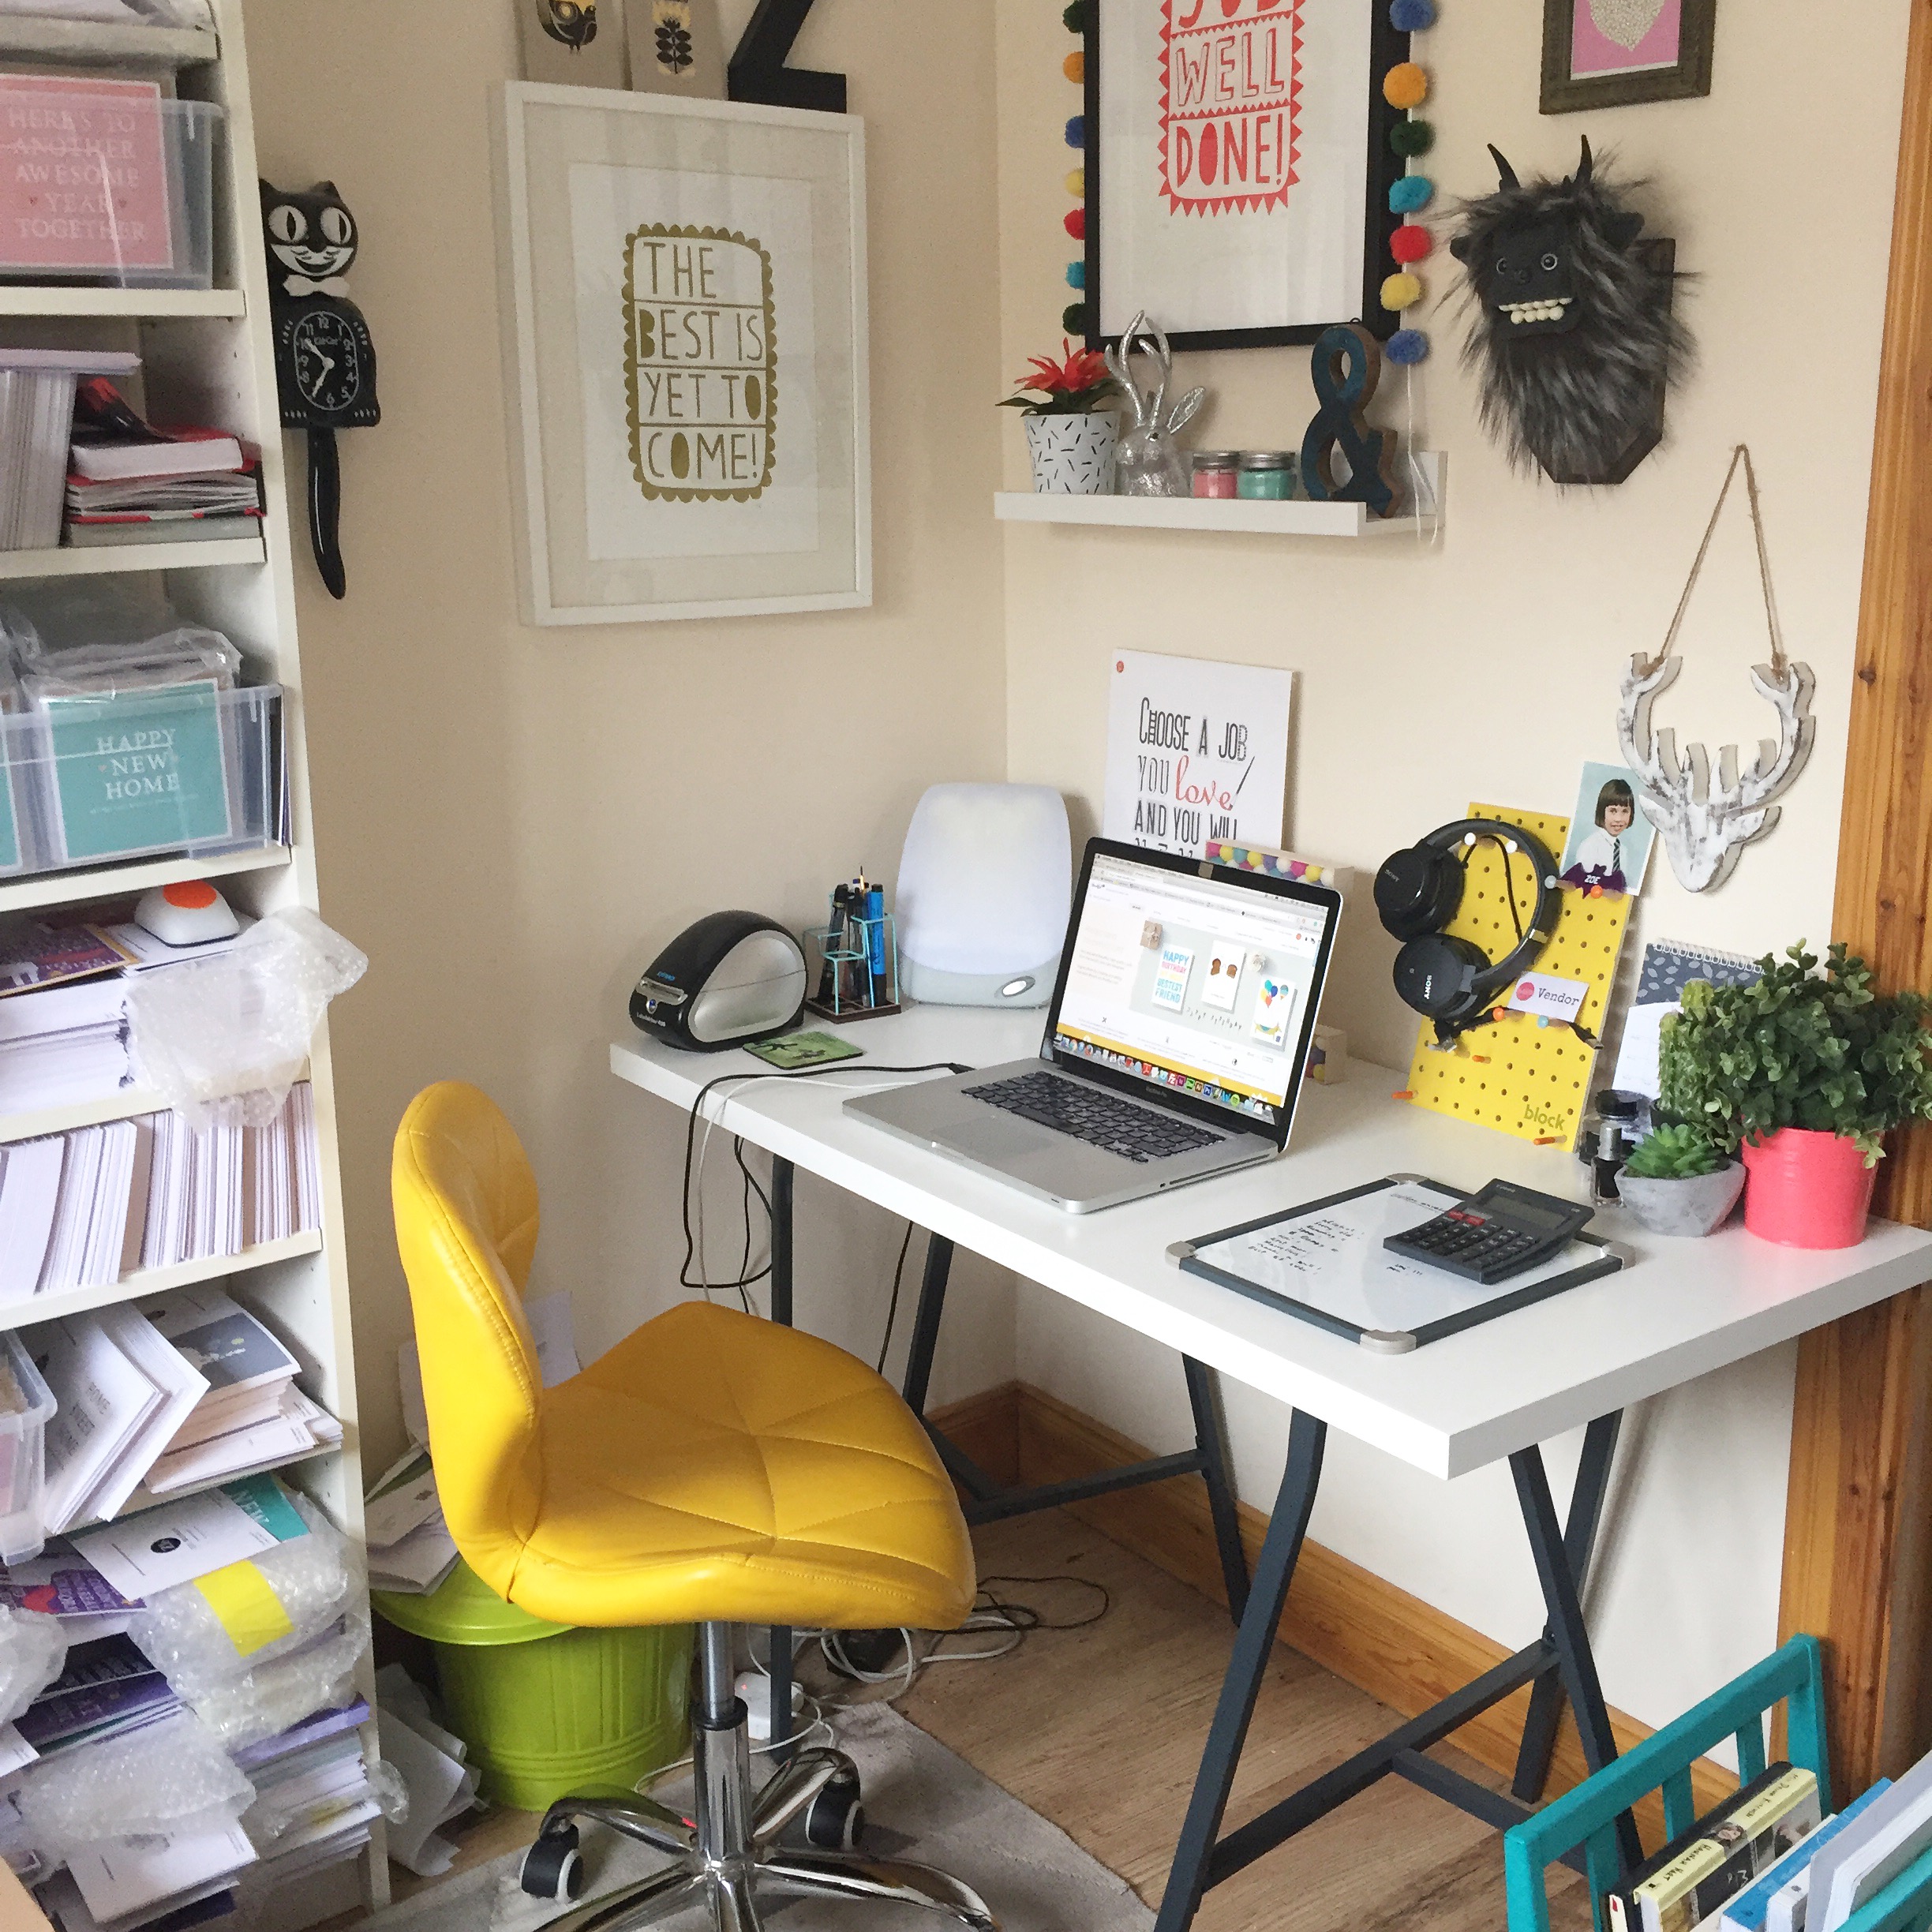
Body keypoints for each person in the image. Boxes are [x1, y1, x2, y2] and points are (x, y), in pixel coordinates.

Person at [1563, 778, 1638, 893]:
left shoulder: (1622, 851)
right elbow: (1579, 887)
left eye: (1625, 811)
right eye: (1613, 811)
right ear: (1602, 811)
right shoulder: (1590, 846)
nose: (1619, 819)